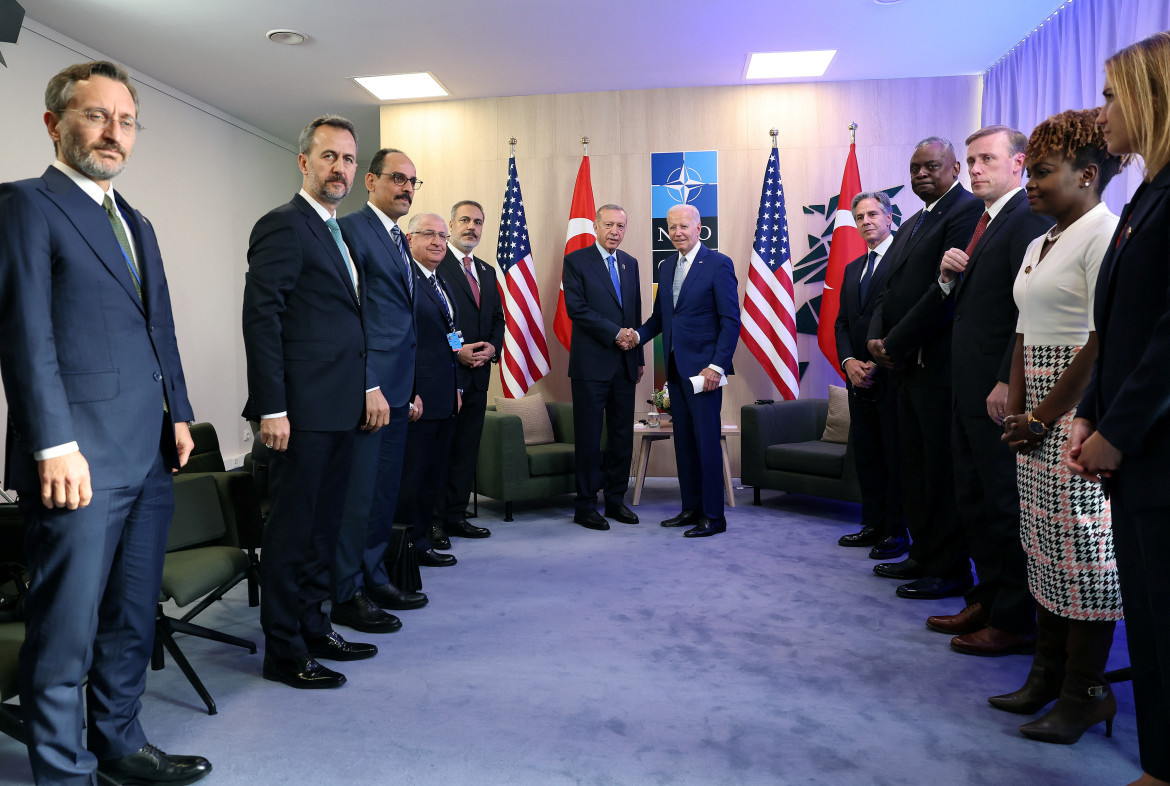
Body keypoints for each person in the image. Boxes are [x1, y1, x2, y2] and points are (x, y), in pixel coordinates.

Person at [0, 60, 210, 784]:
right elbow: (26, 336)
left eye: (125, 120)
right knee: (66, 630)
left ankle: (120, 747)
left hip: (149, 453)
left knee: (129, 617)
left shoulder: (137, 222)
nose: (113, 132)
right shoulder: (25, 204)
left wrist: (178, 414)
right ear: (55, 124)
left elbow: (161, 331)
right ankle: (63, 771)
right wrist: (54, 443)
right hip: (77, 460)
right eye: (96, 116)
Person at [983, 108, 1123, 744]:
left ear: (1087, 175)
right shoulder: (1043, 241)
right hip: (1032, 411)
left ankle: (1084, 692)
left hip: (1073, 411)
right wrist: (1017, 406)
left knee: (1083, 558)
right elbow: (1022, 329)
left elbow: (1097, 344)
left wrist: (1040, 418)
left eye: (1042, 172)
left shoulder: (1103, 233)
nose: (1029, 181)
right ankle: (1044, 674)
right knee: (1042, 548)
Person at [1068, 30, 1170, 786]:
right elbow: (1119, 325)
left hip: (1157, 448)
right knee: (1153, 621)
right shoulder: (1147, 195)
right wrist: (1090, 414)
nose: (1100, 114)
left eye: (1109, 95)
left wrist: (1117, 429)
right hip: (1131, 446)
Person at [243, 115, 376, 690]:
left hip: (339, 410)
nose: (339, 168)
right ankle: (283, 649)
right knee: (292, 534)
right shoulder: (283, 225)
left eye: (348, 159)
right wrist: (271, 407)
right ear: (304, 162)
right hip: (299, 415)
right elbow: (261, 319)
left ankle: (316, 627)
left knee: (325, 529)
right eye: (329, 157)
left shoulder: (337, 232)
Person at [926, 126, 1053, 656]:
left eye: (986, 159)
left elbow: (1030, 310)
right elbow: (978, 305)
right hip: (966, 387)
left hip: (999, 392)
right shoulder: (985, 221)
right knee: (973, 501)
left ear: (1018, 162)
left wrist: (1008, 378)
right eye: (972, 159)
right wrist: (947, 279)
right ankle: (986, 596)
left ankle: (1013, 618)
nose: (976, 169)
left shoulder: (1027, 216)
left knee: (1003, 507)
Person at [866, 137, 983, 591]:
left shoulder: (966, 211)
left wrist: (892, 342)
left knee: (939, 471)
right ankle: (923, 553)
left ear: (954, 167)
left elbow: (946, 294)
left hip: (937, 365)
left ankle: (949, 568)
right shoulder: (914, 221)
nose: (920, 175)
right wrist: (877, 337)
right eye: (914, 168)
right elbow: (888, 290)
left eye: (931, 166)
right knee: (912, 468)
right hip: (903, 366)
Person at [330, 148, 429, 637]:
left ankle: (373, 576)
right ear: (370, 180)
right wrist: (369, 382)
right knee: (359, 498)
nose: (407, 188)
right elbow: (351, 317)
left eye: (413, 182)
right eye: (397, 178)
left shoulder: (398, 239)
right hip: (366, 392)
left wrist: (407, 390)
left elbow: (400, 320)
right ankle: (345, 593)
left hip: (396, 392)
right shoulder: (352, 230)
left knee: (383, 494)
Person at [630, 203, 739, 537]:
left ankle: (713, 517)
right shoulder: (665, 267)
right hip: (676, 371)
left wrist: (716, 367)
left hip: (705, 373)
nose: (678, 232)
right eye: (672, 227)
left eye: (684, 227)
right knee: (685, 444)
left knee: (706, 442)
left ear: (699, 227)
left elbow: (730, 321)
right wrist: (636, 336)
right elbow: (662, 319)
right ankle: (690, 509)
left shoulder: (718, 264)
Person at [834, 192, 907, 560]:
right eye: (859, 216)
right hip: (857, 379)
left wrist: (876, 361)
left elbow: (904, 317)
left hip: (893, 375)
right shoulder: (852, 269)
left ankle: (897, 531)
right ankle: (873, 523)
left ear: (890, 216)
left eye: (873, 214)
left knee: (895, 455)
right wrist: (849, 362)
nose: (866, 221)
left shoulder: (904, 258)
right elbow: (843, 323)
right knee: (867, 455)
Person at [563, 204, 644, 531]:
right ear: (596, 226)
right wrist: (616, 334)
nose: (615, 231)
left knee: (622, 436)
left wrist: (637, 357)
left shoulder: (630, 264)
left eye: (621, 226)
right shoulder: (576, 261)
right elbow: (576, 309)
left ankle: (615, 500)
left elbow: (635, 312)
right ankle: (585, 505)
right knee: (589, 436)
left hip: (625, 365)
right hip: (591, 366)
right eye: (609, 224)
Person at [395, 213, 462, 567]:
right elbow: (403, 342)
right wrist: (409, 391)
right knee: (412, 479)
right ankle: (405, 549)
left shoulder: (442, 283)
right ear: (409, 239)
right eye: (429, 235)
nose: (438, 242)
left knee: (432, 478)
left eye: (442, 236)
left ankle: (421, 541)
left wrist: (459, 385)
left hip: (446, 396)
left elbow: (450, 336)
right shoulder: (406, 281)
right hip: (418, 398)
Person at [434, 199, 504, 543]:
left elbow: (496, 319)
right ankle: (433, 523)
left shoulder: (487, 271)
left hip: (478, 376)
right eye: (464, 220)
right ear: (451, 223)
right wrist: (455, 350)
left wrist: (493, 347)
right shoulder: (435, 262)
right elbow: (435, 317)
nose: (471, 227)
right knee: (440, 453)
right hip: (446, 376)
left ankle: (457, 516)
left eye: (478, 222)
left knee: (465, 452)